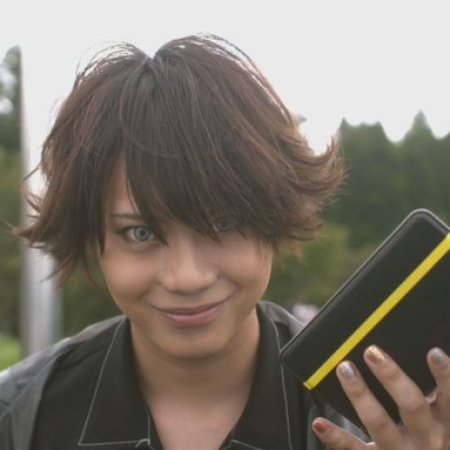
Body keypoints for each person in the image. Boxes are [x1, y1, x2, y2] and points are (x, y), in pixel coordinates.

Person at [0, 34, 449, 450]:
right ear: (92, 236)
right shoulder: (21, 415)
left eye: (222, 223)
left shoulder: (386, 419)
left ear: (273, 215)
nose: (187, 277)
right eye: (140, 232)